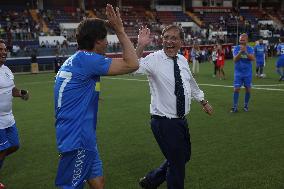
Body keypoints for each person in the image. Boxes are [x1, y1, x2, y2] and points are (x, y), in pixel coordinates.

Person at [53, 5, 139, 189]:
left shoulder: (76, 59)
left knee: (98, 183)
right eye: (105, 38)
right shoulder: (88, 60)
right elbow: (132, 64)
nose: (108, 43)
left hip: (78, 134)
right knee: (70, 186)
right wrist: (120, 30)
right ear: (96, 41)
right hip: (78, 137)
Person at [135, 25, 213, 189]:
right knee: (177, 166)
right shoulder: (154, 59)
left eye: (174, 38)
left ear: (181, 41)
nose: (169, 41)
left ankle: (151, 181)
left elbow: (191, 83)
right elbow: (132, 67)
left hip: (180, 121)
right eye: (166, 37)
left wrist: (203, 101)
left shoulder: (182, 59)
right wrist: (141, 45)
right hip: (163, 122)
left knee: (183, 156)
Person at [0, 39, 29, 189]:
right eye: (0, 49)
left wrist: (21, 93)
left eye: (5, 49)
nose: (4, 52)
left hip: (8, 117)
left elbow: (12, 90)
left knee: (14, 145)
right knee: (2, 148)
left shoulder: (6, 70)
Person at [231, 33, 255, 113]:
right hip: (238, 73)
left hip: (248, 73)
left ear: (246, 40)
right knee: (236, 89)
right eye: (240, 40)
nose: (241, 41)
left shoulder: (250, 48)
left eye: (243, 40)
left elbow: (252, 58)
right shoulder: (236, 48)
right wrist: (241, 52)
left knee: (248, 89)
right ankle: (234, 107)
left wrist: (246, 52)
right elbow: (234, 60)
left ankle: (246, 105)